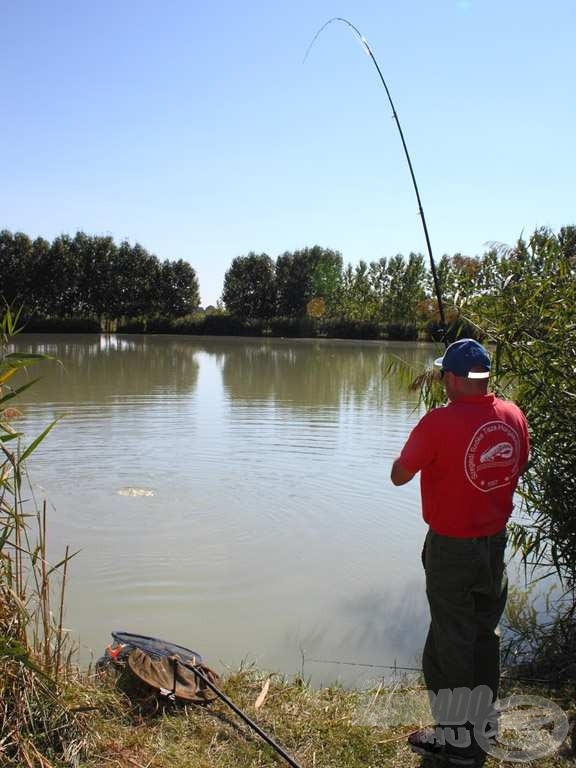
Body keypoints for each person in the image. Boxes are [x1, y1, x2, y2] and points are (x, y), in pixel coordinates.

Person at [390, 339, 530, 766]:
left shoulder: (437, 423)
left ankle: (459, 744)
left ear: (451, 378)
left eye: (443, 375)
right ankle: (484, 727)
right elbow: (517, 466)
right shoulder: (513, 416)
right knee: (485, 636)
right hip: (494, 545)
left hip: (451, 550)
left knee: (450, 644)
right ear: (483, 377)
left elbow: (399, 475)